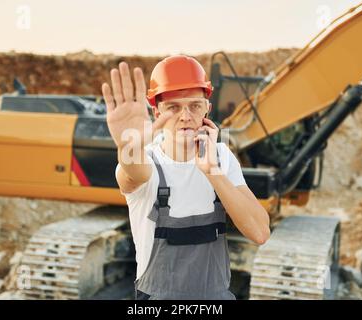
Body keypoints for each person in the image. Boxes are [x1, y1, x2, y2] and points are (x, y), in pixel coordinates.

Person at [102, 55, 270, 300]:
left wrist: (213, 172)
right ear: (156, 111)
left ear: (207, 108)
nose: (185, 116)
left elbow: (259, 232)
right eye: (173, 107)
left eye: (194, 105)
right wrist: (128, 146)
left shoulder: (221, 157)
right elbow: (132, 172)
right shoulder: (147, 160)